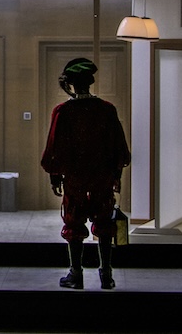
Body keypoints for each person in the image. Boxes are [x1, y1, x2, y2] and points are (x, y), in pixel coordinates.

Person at [41, 57, 131, 290]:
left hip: (75, 178)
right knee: (104, 222)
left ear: (70, 83)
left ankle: (76, 274)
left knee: (74, 222)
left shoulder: (63, 112)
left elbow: (55, 147)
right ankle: (107, 275)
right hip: (102, 177)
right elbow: (118, 147)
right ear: (90, 81)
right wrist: (116, 176)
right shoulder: (107, 110)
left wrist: (54, 175)